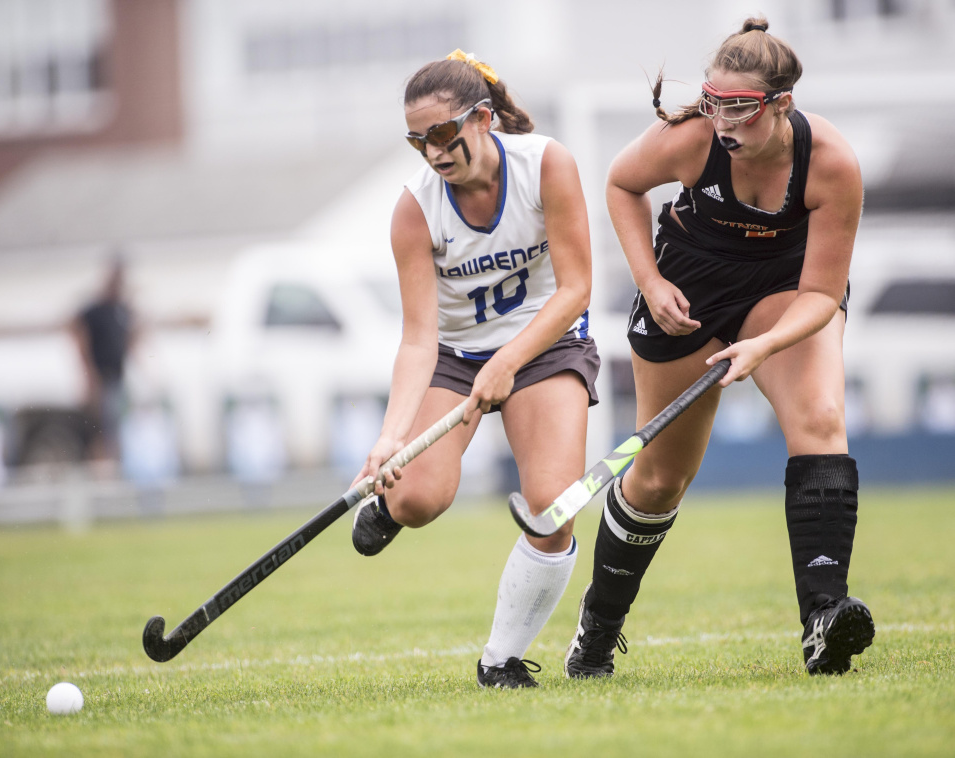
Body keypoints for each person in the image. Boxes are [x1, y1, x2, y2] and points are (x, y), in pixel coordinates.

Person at [564, 17, 875, 679]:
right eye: (713, 102)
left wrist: (761, 345)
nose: (723, 120)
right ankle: (598, 625)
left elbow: (820, 296)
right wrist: (648, 283)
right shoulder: (690, 140)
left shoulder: (831, 163)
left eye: (738, 107)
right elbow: (621, 185)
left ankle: (823, 616)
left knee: (820, 419)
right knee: (657, 479)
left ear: (780, 104)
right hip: (689, 286)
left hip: (784, 288)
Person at [350, 49, 599, 688]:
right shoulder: (415, 210)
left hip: (547, 346)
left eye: (442, 134)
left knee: (552, 508)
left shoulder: (547, 164)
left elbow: (575, 288)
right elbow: (418, 339)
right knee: (418, 497)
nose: (433, 153)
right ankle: (392, 507)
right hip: (458, 359)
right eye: (418, 140)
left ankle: (500, 661)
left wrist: (512, 359)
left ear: (482, 118)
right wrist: (389, 438)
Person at [71, 256, 137, 467]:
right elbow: (80, 339)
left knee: (118, 424)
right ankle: (103, 468)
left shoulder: (121, 309)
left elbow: (130, 338)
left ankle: (117, 465)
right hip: (102, 378)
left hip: (118, 377)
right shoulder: (94, 310)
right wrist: (89, 376)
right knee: (101, 427)